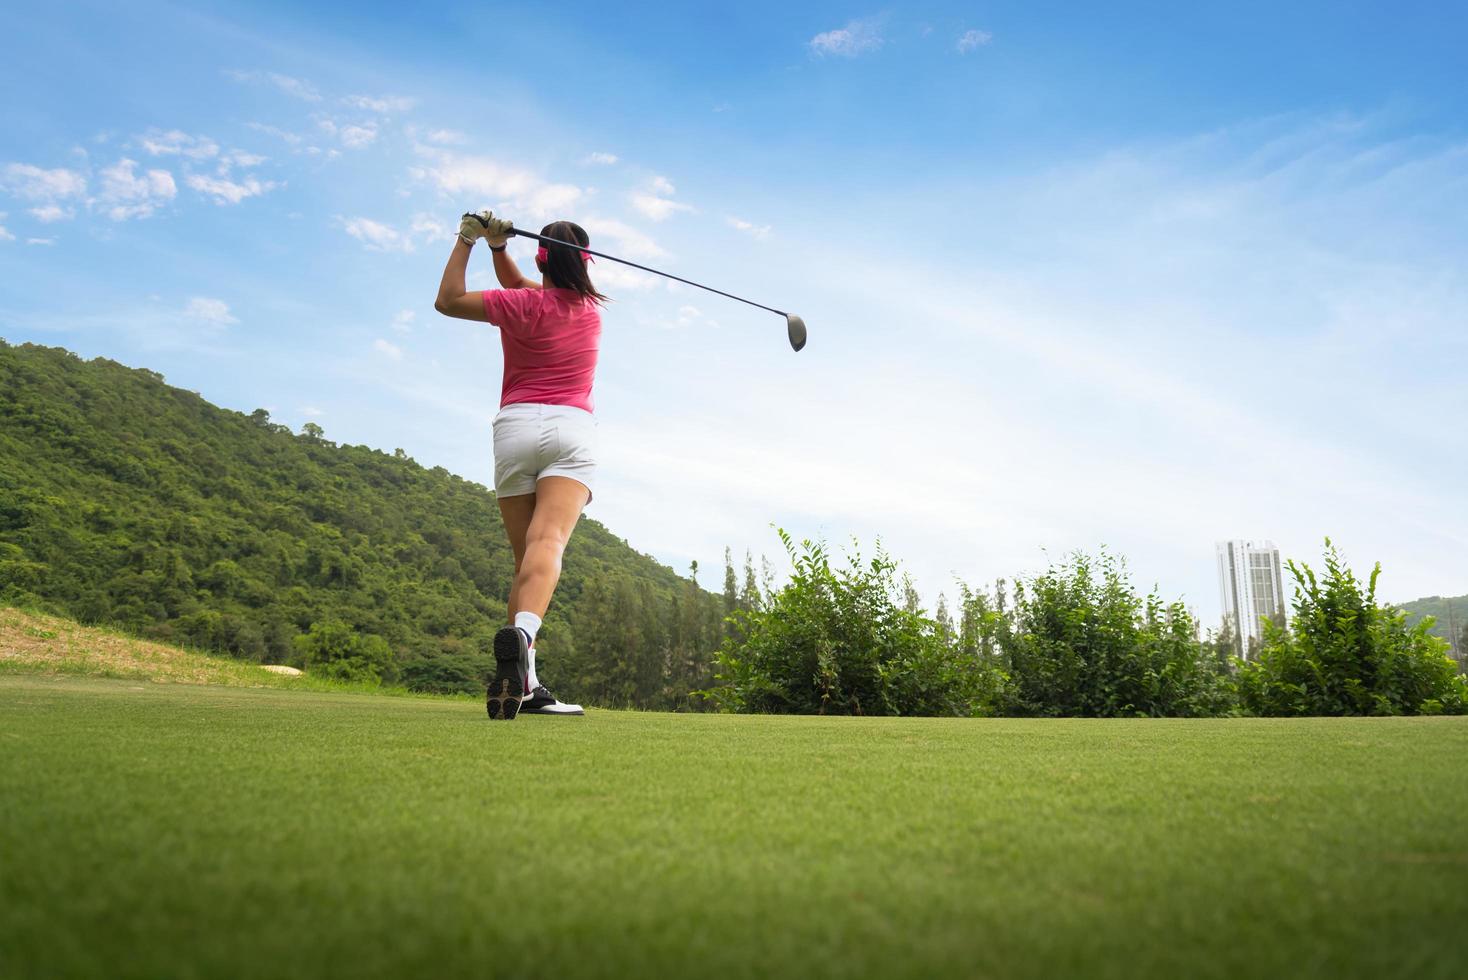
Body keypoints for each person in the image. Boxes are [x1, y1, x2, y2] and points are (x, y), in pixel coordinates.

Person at [433, 211, 607, 719]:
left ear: (539, 257)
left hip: (514, 429)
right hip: (570, 430)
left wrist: (472, 240)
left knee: (523, 561)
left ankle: (526, 684)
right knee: (546, 545)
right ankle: (524, 636)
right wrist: (497, 248)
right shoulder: (591, 309)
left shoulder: (519, 304)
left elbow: (448, 300)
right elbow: (535, 285)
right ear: (586, 263)